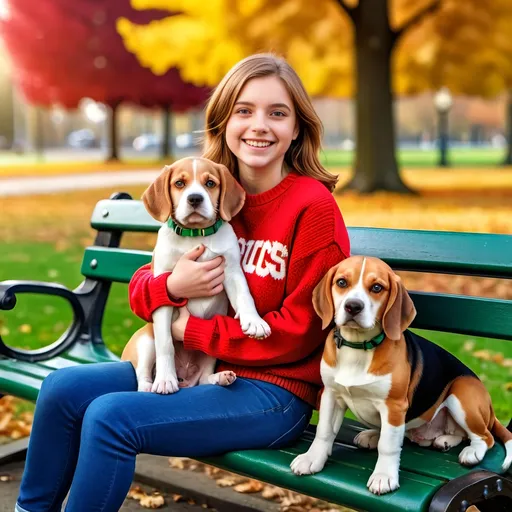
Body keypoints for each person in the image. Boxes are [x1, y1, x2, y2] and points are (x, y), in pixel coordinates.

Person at [15, 53, 350, 512]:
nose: (260, 125)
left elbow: (300, 332)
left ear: (297, 128)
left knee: (111, 418)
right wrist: (172, 290)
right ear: (223, 121)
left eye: (278, 113)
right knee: (62, 391)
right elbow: (142, 285)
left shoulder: (313, 209)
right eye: (244, 110)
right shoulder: (204, 189)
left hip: (273, 392)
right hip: (199, 368)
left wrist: (182, 330)